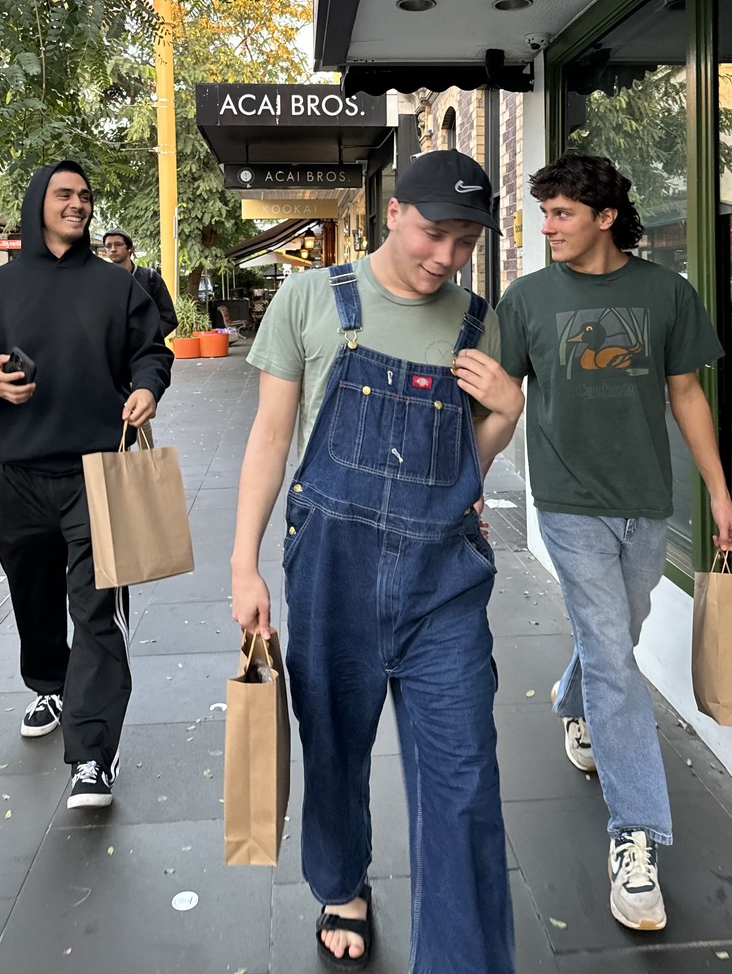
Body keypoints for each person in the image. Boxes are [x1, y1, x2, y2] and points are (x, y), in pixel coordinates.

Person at [230, 150, 522, 973]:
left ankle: (464, 960)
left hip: (446, 583)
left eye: (465, 242)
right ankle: (341, 882)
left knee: (465, 777)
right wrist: (242, 565)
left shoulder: (477, 321)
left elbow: (466, 469)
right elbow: (271, 438)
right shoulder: (311, 299)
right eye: (435, 233)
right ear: (394, 211)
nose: (446, 257)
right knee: (331, 746)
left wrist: (505, 414)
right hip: (332, 572)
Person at [496, 153, 732, 933]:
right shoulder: (527, 298)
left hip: (645, 502)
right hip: (567, 503)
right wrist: (465, 481)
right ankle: (635, 838)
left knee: (618, 634)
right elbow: (503, 402)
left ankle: (572, 702)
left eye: (562, 214)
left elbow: (686, 394)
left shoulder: (666, 293)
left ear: (605, 217)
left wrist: (718, 490)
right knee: (614, 654)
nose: (548, 229)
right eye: (544, 215)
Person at [0, 161, 173, 810]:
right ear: (39, 202)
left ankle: (93, 756)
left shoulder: (118, 287)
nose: (79, 204)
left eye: (86, 196)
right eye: (66, 194)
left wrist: (148, 387)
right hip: (17, 478)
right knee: (33, 599)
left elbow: (153, 352)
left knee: (98, 611)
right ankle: (48, 680)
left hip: (99, 474)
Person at [103, 227, 178, 338]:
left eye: (118, 244)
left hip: (146, 351)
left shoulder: (150, 278)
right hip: (114, 351)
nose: (113, 249)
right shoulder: (102, 281)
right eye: (108, 246)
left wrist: (150, 339)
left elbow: (169, 318)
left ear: (130, 249)